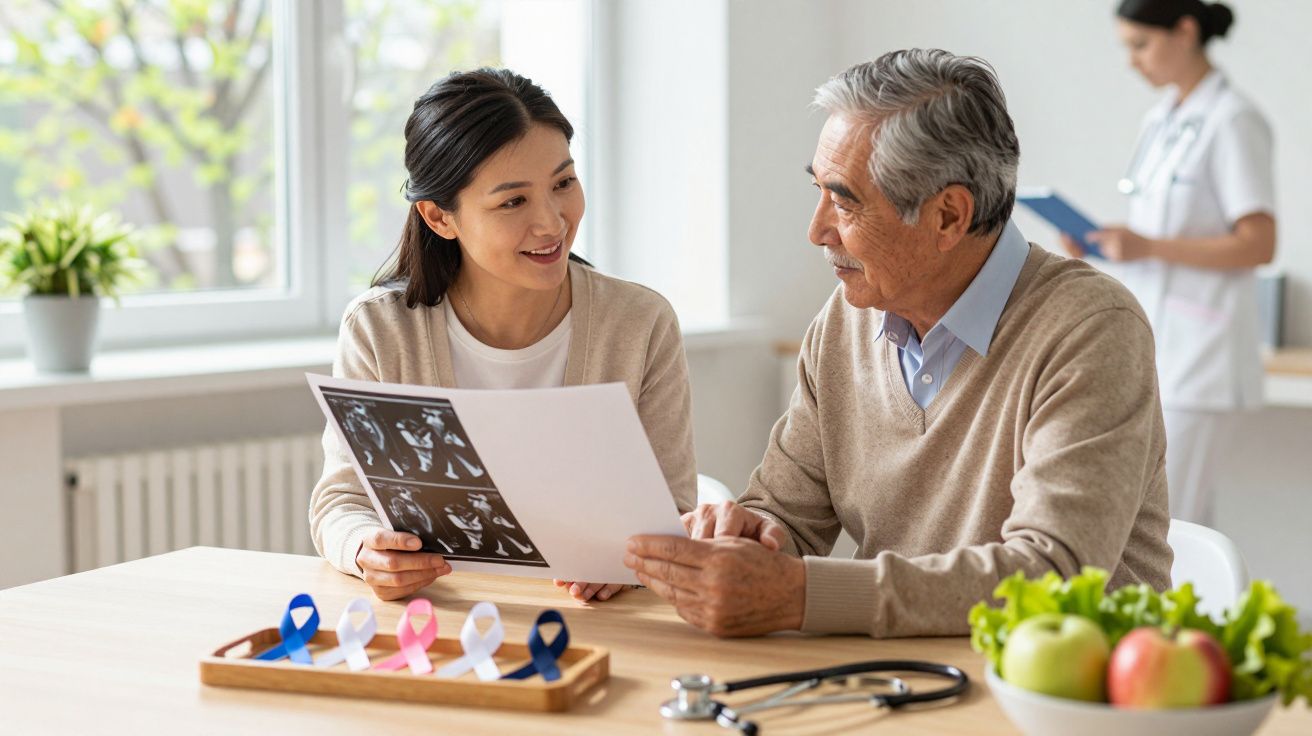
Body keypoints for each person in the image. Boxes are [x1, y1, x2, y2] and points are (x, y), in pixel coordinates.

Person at [625, 49, 1173, 638]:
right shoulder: (845, 321)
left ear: (948, 216)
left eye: (844, 201)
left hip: (1065, 682)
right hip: (899, 675)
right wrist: (741, 538)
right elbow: (785, 515)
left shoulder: (1091, 327)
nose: (816, 230)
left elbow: (1050, 574)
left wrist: (802, 595)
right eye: (818, 191)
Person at [310, 68, 697, 603]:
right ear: (439, 217)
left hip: (596, 620)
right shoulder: (381, 330)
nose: (552, 223)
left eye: (563, 183)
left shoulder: (640, 323)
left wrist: (633, 561)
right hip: (444, 615)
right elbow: (342, 502)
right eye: (513, 202)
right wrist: (364, 549)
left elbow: (673, 509)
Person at [1060, 0, 1276, 525]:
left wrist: (1149, 247)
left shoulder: (1233, 119)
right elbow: (1159, 238)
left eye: (1141, 44)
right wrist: (1104, 245)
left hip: (1202, 356)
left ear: (1185, 31)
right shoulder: (1161, 121)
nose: (1132, 61)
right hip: (1158, 348)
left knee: (1169, 525)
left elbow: (1259, 243)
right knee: (1180, 521)